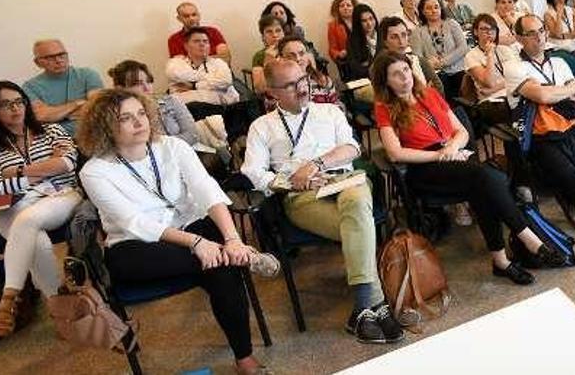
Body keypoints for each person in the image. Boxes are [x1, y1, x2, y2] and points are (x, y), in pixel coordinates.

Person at [77, 89, 280, 374]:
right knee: (221, 262)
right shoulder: (94, 171)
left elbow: (207, 191)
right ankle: (240, 256)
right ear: (104, 127)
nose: (139, 122)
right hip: (138, 245)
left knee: (222, 268)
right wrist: (198, 243)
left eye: (141, 113)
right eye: (125, 118)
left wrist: (232, 238)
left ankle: (243, 358)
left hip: (188, 223)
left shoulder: (172, 146)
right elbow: (135, 222)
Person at [371, 51, 567, 285]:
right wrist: (439, 154)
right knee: (484, 177)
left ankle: (502, 261)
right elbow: (395, 153)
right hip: (423, 167)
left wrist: (452, 148)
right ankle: (529, 241)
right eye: (396, 74)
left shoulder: (429, 94)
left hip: (454, 155)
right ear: (386, 81)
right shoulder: (385, 107)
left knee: (484, 185)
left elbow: (461, 131)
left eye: (405, 69)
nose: (404, 77)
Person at [242, 58, 402, 343]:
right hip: (301, 194)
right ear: (272, 92)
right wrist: (288, 181)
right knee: (360, 225)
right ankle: (373, 304)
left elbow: (352, 147)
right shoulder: (261, 126)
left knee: (356, 206)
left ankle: (364, 308)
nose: (301, 87)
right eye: (290, 85)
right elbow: (252, 171)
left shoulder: (329, 111)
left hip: (344, 180)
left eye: (302, 79)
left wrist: (317, 163)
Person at [0, 81, 82, 337]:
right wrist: (46, 166)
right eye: (5, 104)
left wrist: (15, 172)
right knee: (38, 242)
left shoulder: (52, 130)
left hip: (61, 196)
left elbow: (68, 163)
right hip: (13, 204)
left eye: (19, 101)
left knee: (28, 219)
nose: (15, 108)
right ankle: (59, 306)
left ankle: (8, 298)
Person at [506, 15, 575, 229]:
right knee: (565, 170)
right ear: (519, 38)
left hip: (568, 125)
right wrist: (566, 90)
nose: (538, 37)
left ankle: (567, 196)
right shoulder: (514, 67)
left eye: (541, 30)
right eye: (530, 33)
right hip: (538, 134)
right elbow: (543, 97)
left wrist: (557, 91)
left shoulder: (559, 62)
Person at [107, 60, 231, 175]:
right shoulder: (117, 115)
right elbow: (129, 147)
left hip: (181, 153)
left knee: (210, 161)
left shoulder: (170, 101)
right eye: (138, 84)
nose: (147, 87)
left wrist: (166, 148)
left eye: (149, 81)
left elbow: (192, 134)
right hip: (147, 163)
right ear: (120, 89)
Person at [23, 38, 104, 135]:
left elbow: (97, 107)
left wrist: (56, 113)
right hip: (56, 141)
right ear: (38, 63)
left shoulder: (88, 75)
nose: (58, 60)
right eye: (49, 57)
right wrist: (77, 103)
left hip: (93, 136)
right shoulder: (30, 86)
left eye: (61, 54)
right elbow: (41, 115)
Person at [166, 27, 241, 108]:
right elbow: (177, 76)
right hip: (186, 110)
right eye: (196, 41)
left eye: (205, 41)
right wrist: (211, 80)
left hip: (220, 110)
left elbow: (225, 81)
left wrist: (194, 86)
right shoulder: (176, 63)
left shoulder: (219, 63)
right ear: (186, 46)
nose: (202, 44)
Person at [411, 0, 470, 95]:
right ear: (422, 11)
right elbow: (417, 56)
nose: (433, 10)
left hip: (458, 69)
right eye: (428, 8)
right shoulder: (418, 31)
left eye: (436, 7)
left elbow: (463, 47)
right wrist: (429, 64)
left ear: (441, 8)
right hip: (434, 73)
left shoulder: (452, 24)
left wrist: (443, 62)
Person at [463, 14, 516, 124]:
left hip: (511, 93)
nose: (489, 32)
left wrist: (493, 89)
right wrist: (490, 55)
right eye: (484, 29)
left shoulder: (505, 50)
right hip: (492, 101)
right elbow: (489, 82)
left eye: (492, 29)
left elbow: (518, 77)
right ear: (476, 32)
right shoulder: (471, 56)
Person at [376, 17, 443, 97]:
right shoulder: (380, 68)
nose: (401, 41)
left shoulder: (418, 61)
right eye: (394, 37)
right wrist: (424, 91)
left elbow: (439, 88)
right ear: (385, 42)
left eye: (404, 35)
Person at [279, 36, 344, 112]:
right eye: (291, 56)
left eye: (302, 53)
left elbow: (338, 108)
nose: (298, 59)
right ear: (281, 59)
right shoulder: (278, 87)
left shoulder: (323, 81)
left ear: (308, 56)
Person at [342, 3, 380, 84]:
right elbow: (355, 69)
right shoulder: (352, 41)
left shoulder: (383, 34)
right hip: (366, 80)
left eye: (371, 18)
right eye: (364, 21)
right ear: (358, 23)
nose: (369, 23)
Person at [251, 15, 285, 94]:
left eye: (278, 30)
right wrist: (268, 61)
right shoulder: (259, 56)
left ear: (284, 33)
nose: (275, 35)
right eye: (269, 32)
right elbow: (260, 89)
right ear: (263, 37)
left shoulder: (292, 50)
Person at [328, 0, 358, 66]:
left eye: (348, 5)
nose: (345, 8)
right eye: (342, 6)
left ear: (354, 8)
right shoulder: (333, 26)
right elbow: (332, 49)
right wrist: (339, 54)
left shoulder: (360, 21)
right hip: (347, 61)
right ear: (337, 9)